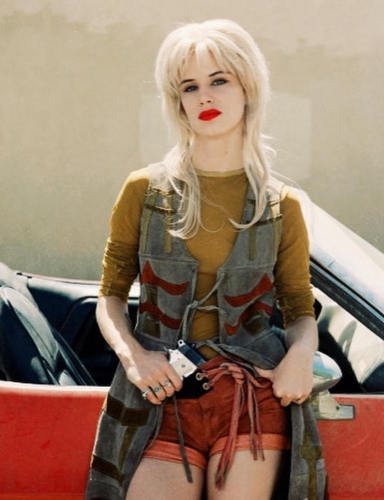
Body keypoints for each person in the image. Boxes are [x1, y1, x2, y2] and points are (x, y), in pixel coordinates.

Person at [86, 20, 325, 500]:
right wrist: (135, 359)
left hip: (251, 398)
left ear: (247, 86)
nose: (204, 97)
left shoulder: (282, 205)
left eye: (219, 80)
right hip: (161, 395)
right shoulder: (143, 191)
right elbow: (110, 297)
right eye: (188, 87)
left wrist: (300, 355)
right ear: (176, 102)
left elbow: (299, 307)